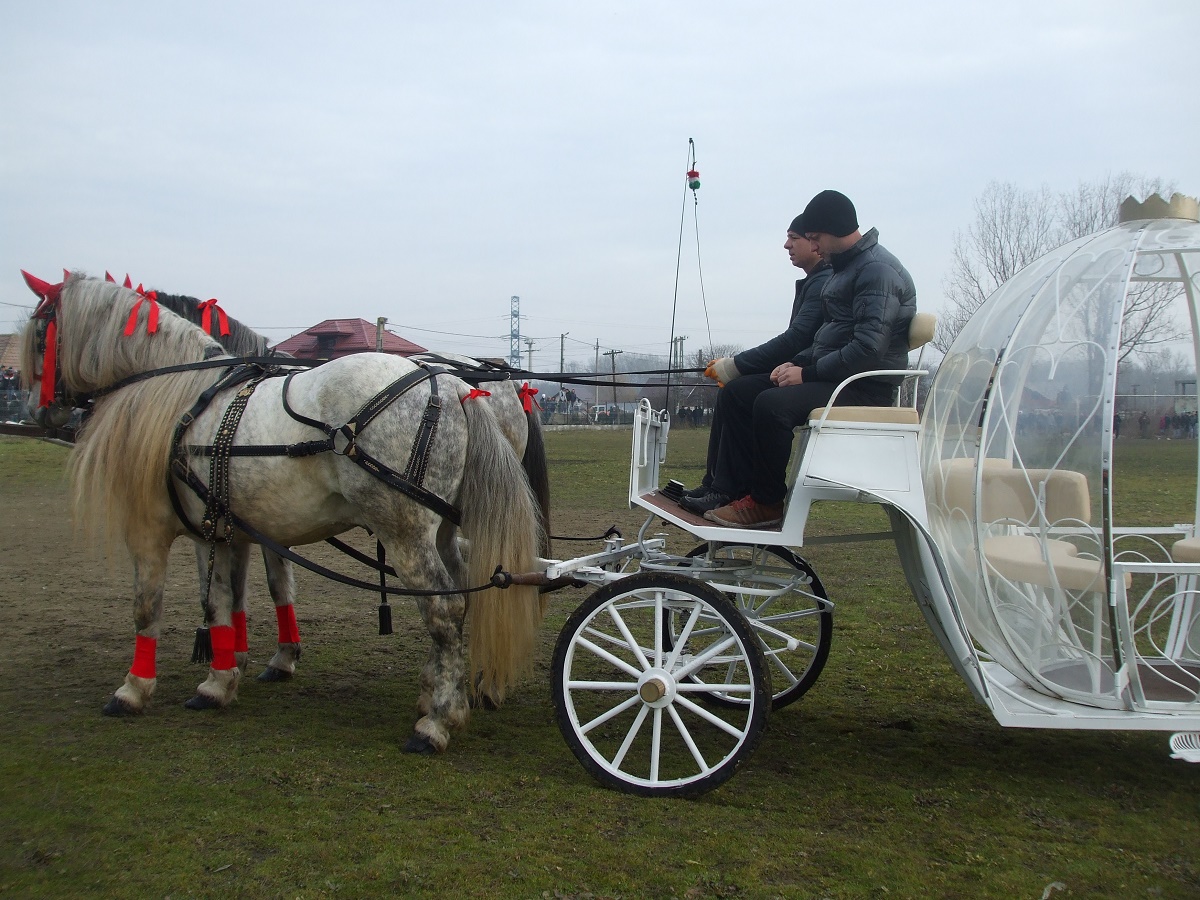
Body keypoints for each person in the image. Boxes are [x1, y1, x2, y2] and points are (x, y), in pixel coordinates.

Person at [703, 189, 917, 529]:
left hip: (865, 385)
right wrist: (796, 364)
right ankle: (732, 493)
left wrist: (807, 373)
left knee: (772, 405)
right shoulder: (845, 269)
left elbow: (866, 349)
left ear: (833, 230)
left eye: (815, 238)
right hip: (834, 375)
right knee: (739, 392)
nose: (813, 246)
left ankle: (766, 503)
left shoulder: (877, 271)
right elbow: (825, 337)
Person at [679, 213, 831, 515]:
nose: (786, 245)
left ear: (815, 244)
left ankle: (732, 491)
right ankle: (716, 485)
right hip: (806, 367)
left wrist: (736, 364)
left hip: (819, 376)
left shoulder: (822, 282)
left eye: (793, 237)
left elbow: (796, 339)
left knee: (740, 392)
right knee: (735, 391)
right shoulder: (815, 282)